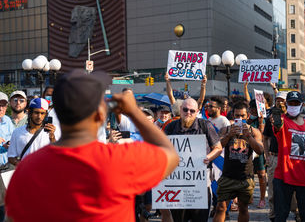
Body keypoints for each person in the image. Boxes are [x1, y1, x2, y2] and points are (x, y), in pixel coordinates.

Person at [5, 69, 179, 221]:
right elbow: (170, 155)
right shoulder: (119, 160)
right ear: (100, 116)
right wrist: (133, 111)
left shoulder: (27, 169)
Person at [164, 98, 223, 222]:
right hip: (177, 184)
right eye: (185, 109)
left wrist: (208, 157)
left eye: (192, 110)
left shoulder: (205, 125)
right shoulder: (170, 127)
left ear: (197, 112)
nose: (188, 113)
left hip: (200, 183)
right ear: (180, 110)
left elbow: (218, 148)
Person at [271, 91, 305, 222]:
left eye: (296, 103)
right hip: (283, 177)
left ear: (301, 105)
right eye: (290, 103)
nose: (293, 106)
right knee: (280, 215)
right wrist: (276, 120)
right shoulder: (282, 121)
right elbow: (277, 127)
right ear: (286, 104)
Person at [213, 101, 264, 222]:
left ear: (247, 116)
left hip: (245, 176)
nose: (240, 118)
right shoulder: (226, 130)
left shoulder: (254, 131)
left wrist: (249, 136)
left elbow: (260, 150)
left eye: (242, 116)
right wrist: (229, 135)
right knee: (220, 208)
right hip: (227, 176)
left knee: (243, 208)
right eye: (237, 116)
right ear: (233, 116)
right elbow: (217, 147)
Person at [8, 98, 58, 165]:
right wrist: (23, 166)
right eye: (36, 113)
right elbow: (11, 157)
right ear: (30, 112)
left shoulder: (52, 131)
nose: (39, 116)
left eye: (42, 113)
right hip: (26, 173)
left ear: (46, 114)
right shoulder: (17, 132)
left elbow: (57, 155)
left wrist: (52, 137)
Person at [247, 100, 267, 209]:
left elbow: (262, 135)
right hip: (248, 151)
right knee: (249, 174)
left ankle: (262, 198)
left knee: (261, 174)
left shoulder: (264, 120)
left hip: (259, 151)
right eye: (252, 108)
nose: (254, 110)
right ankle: (249, 196)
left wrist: (261, 122)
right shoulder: (247, 119)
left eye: (256, 108)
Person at [0, 92, 14, 166]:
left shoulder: (7, 120)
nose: (0, 108)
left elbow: (13, 139)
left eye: (3, 105)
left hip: (7, 166)